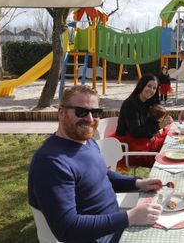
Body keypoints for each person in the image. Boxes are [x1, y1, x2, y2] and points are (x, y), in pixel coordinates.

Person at [28, 85, 164, 243]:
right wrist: (130, 217)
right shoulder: (51, 163)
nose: (90, 119)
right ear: (62, 113)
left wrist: (137, 183)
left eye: (96, 112)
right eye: (81, 112)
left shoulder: (86, 142)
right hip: (97, 236)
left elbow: (101, 175)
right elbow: (67, 229)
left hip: (114, 221)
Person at [113, 73, 173, 170]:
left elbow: (150, 124)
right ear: (141, 85)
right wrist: (159, 126)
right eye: (149, 86)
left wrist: (159, 127)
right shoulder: (130, 104)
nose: (151, 90)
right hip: (131, 144)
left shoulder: (148, 102)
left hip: (144, 138)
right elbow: (136, 132)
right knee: (168, 151)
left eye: (154, 88)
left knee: (171, 140)